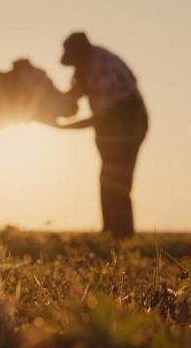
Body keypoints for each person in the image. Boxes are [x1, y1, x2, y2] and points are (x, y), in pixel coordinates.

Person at [57, 32, 148, 238]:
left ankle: (122, 234)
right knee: (107, 177)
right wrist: (53, 107)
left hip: (127, 126)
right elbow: (73, 96)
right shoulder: (84, 68)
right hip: (109, 128)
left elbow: (102, 117)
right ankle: (110, 232)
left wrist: (64, 126)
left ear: (82, 53)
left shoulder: (105, 69)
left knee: (118, 179)